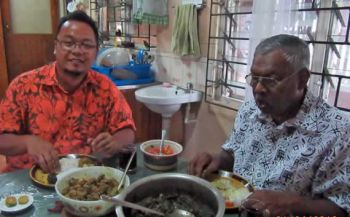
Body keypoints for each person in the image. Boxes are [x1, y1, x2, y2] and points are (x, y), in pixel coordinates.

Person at [189, 34, 349, 216]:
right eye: (254, 78)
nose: (258, 89)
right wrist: (216, 160)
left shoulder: (337, 131)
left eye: (271, 80)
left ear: (302, 79)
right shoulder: (249, 111)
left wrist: (293, 204)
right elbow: (232, 155)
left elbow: (341, 207)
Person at [0, 11, 136, 173]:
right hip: (29, 179)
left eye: (86, 45)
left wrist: (115, 142)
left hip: (86, 177)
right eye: (69, 43)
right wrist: (28, 142)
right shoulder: (23, 86)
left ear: (95, 53)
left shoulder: (105, 87)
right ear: (55, 47)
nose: (78, 51)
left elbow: (127, 130)